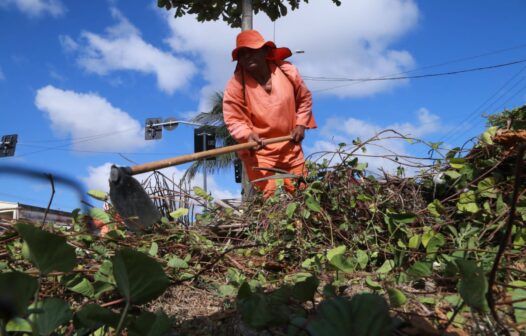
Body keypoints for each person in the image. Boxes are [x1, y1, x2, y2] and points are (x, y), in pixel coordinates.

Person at [223, 30, 317, 198]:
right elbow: (233, 118)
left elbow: (304, 98)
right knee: (270, 198)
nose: (247, 57)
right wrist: (247, 136)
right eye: (242, 54)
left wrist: (301, 124)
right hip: (260, 153)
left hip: (290, 147)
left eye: (252, 51)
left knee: (303, 195)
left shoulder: (287, 70)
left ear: (265, 52)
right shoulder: (236, 84)